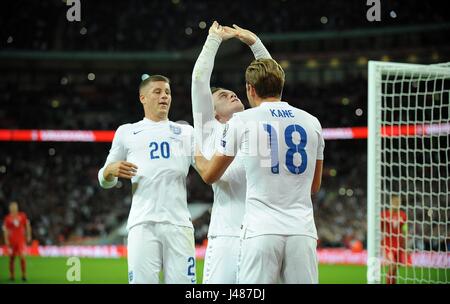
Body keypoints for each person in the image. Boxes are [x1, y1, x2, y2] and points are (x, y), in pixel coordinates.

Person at [195, 58, 324, 283]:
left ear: (250, 89)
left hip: (261, 229)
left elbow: (209, 175)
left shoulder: (242, 120)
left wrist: (194, 147)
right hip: (302, 231)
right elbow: (314, 186)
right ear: (281, 85)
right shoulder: (312, 122)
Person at [191, 21, 271, 283]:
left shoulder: (256, 122)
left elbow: (270, 82)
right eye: (223, 95)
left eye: (233, 92)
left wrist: (255, 43)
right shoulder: (208, 128)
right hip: (226, 236)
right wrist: (213, 39)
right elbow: (200, 79)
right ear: (211, 111)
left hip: (261, 235)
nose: (232, 95)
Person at [98, 75, 196, 284]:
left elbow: (209, 170)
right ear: (142, 97)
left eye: (167, 92)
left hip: (179, 225)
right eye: (157, 92)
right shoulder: (127, 132)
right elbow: (104, 179)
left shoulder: (187, 132)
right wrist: (109, 171)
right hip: (143, 224)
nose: (164, 97)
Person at [381, 194, 408, 284]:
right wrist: (381, 245)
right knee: (392, 265)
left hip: (399, 244)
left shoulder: (403, 215)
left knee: (396, 267)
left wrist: (406, 246)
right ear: (391, 202)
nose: (397, 204)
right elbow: (380, 230)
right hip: (388, 243)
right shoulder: (384, 214)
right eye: (395, 202)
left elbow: (404, 231)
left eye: (398, 202)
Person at [2, 201, 32, 281]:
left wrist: (28, 235)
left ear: (17, 208)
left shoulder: (22, 216)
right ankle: (12, 275)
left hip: (21, 240)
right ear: (10, 208)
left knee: (22, 256)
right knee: (12, 258)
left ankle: (24, 275)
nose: (13, 208)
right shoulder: (7, 218)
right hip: (12, 241)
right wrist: (6, 239)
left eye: (15, 207)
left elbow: (27, 225)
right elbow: (5, 230)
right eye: (12, 207)